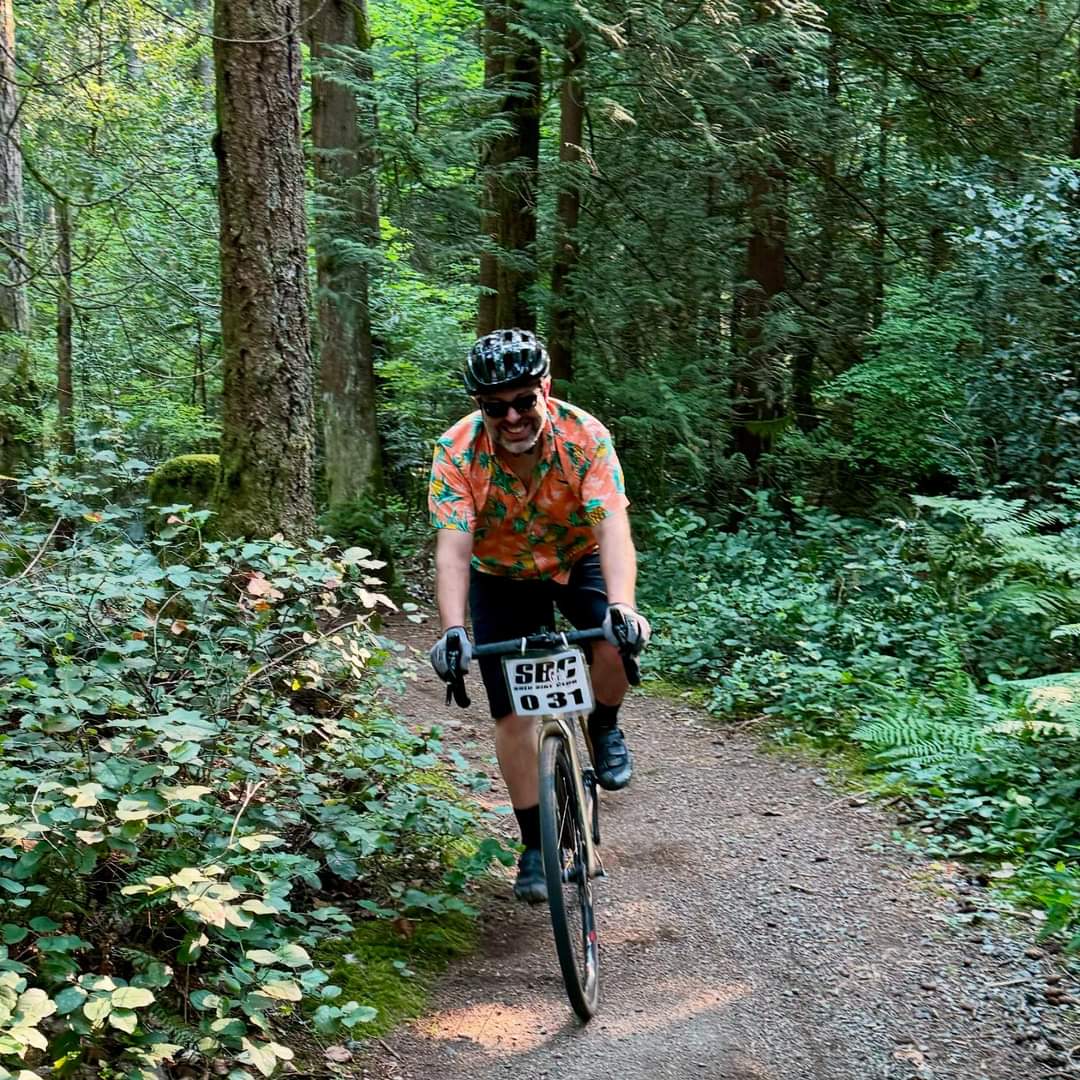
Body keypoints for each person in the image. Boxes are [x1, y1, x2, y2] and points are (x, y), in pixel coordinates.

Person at [427, 328, 650, 904]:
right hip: (500, 576)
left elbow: (613, 530)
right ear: (481, 407)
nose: (513, 416)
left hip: (578, 559)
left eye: (525, 400)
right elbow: (452, 548)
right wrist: (453, 630)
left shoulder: (585, 437)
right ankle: (534, 843)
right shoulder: (457, 451)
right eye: (496, 407)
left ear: (544, 390)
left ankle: (603, 725)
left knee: (611, 640)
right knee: (511, 716)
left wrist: (623, 606)